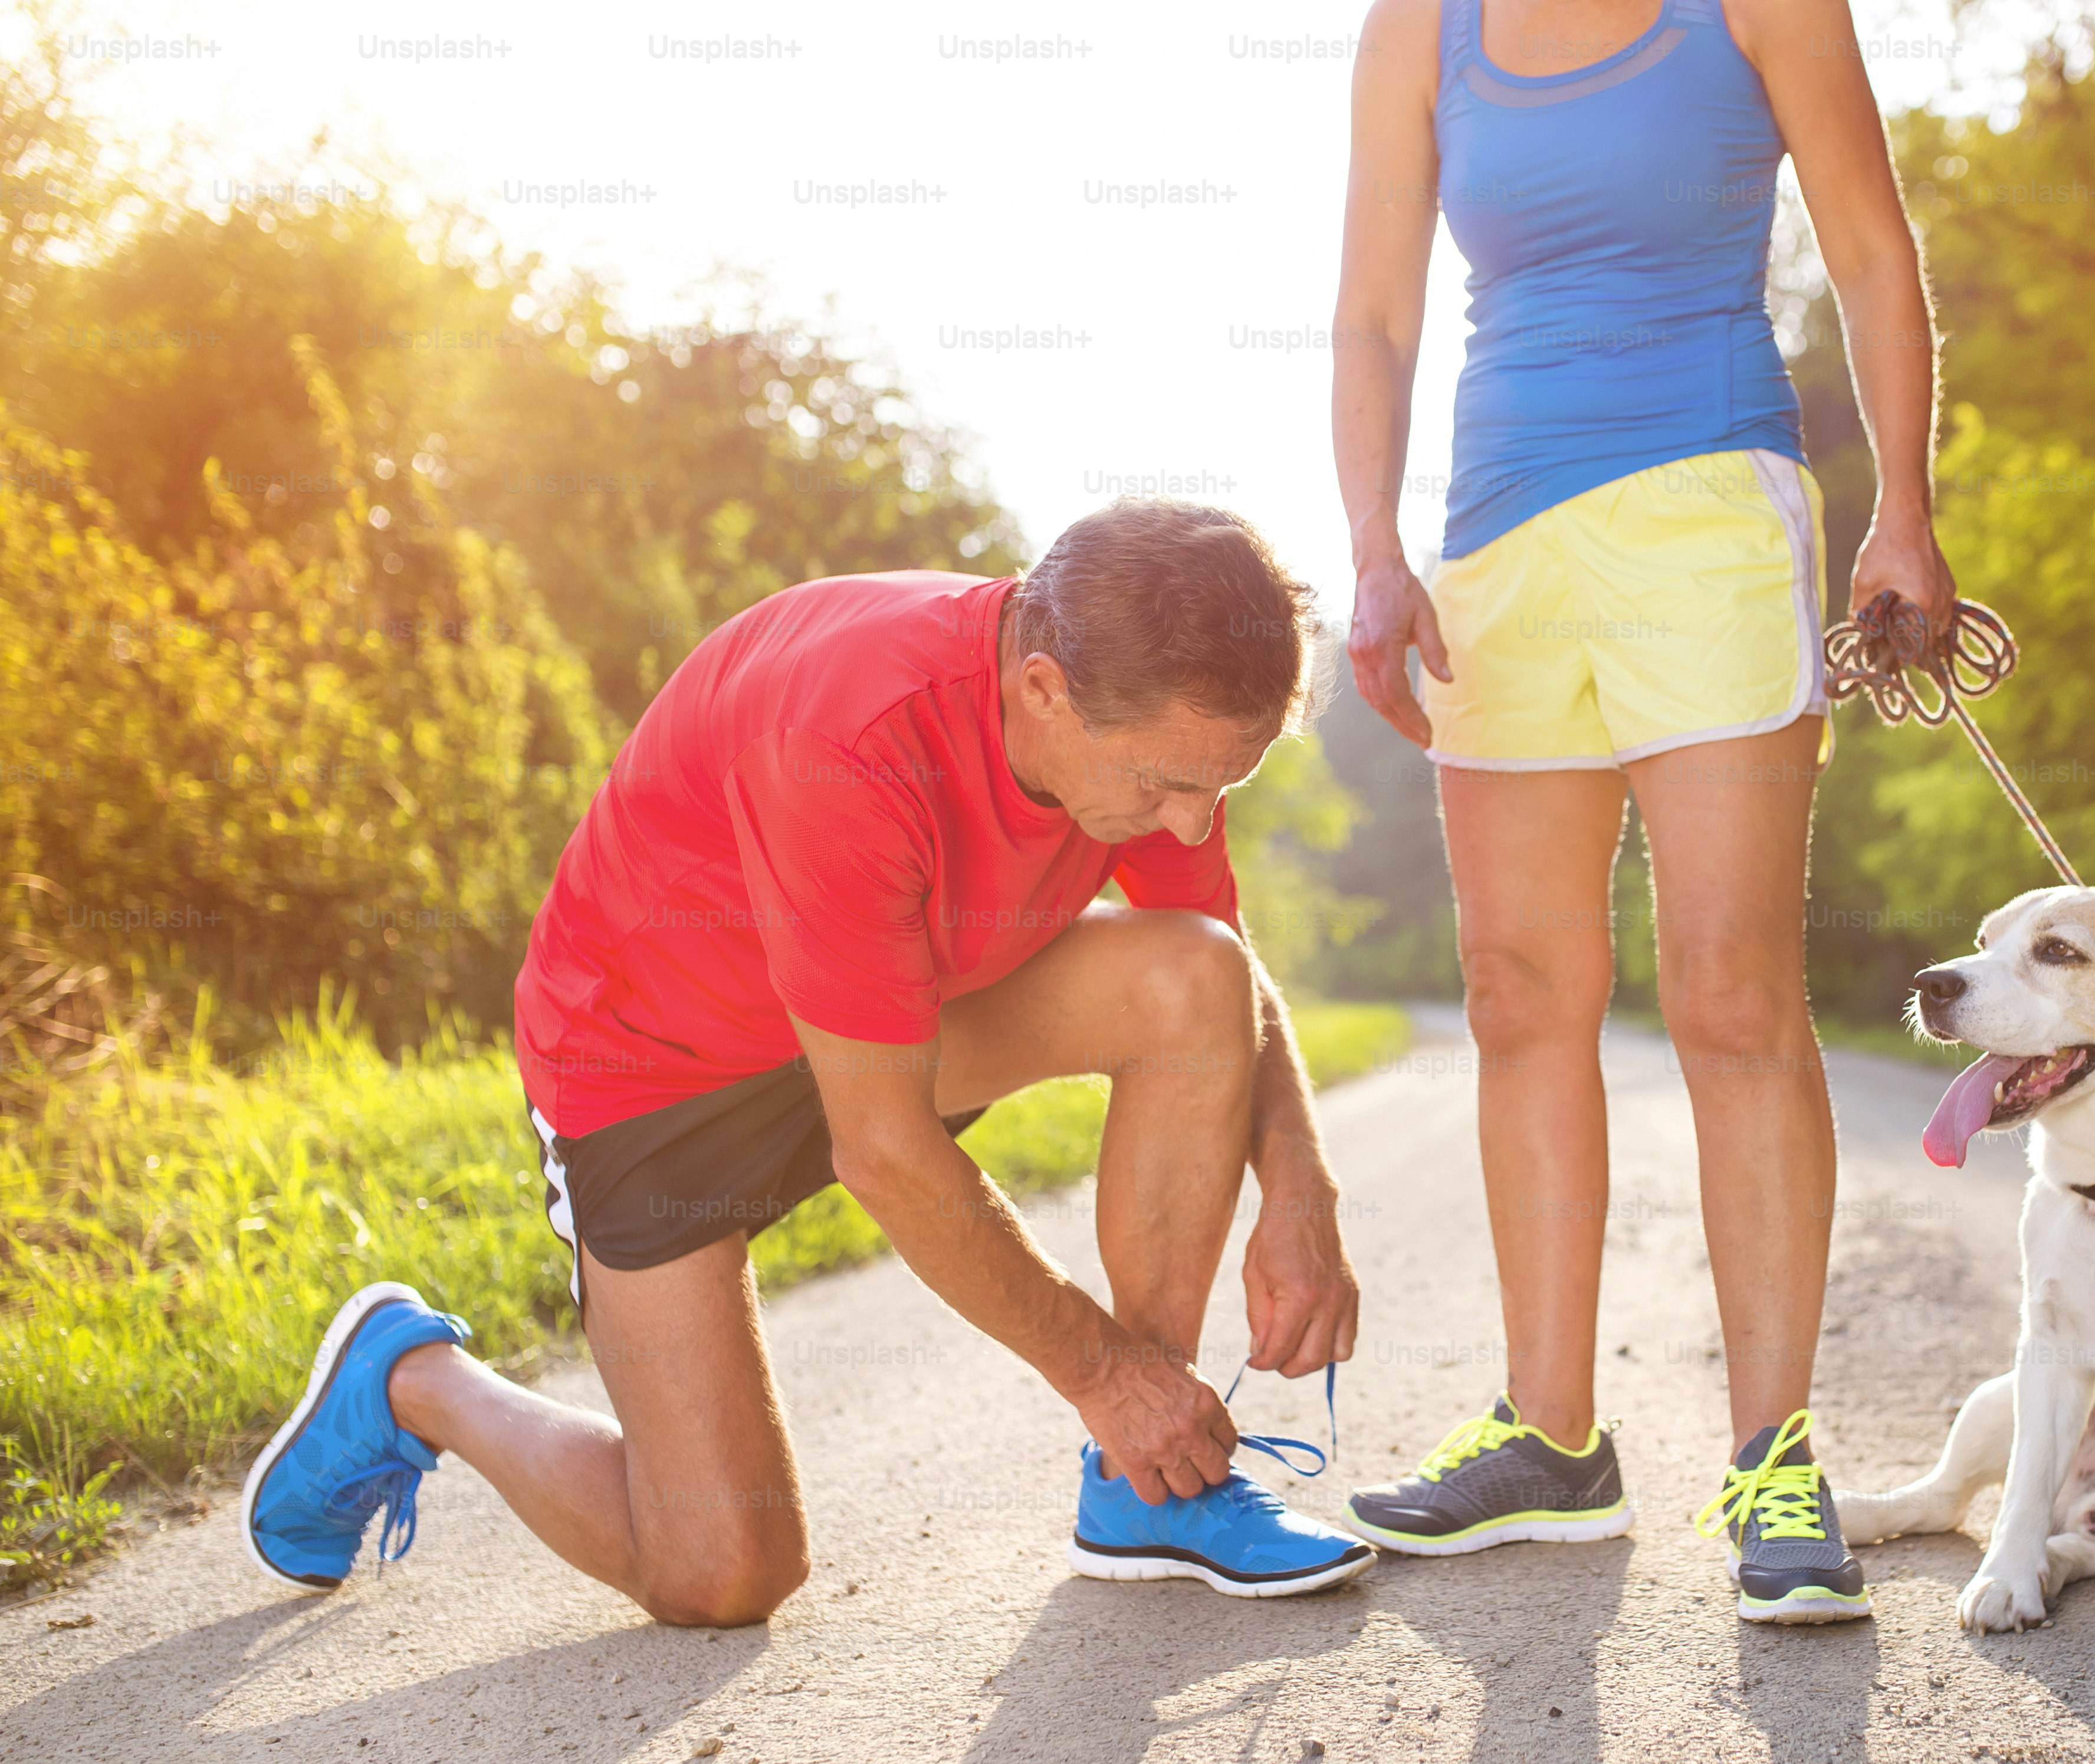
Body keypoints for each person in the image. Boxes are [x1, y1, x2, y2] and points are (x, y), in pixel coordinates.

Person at [241, 501, 1377, 1622]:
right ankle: (414, 1381)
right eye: (1165, 787)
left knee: (1192, 974)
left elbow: (1222, 967)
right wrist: (1104, 1376)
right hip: (653, 1071)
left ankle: (1152, 1484)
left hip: (888, 1025)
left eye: (1218, 788)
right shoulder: (848, 739)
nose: (1188, 826)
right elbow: (885, 1154)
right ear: (1045, 689)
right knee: (720, 1573)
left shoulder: (1148, 709)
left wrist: (1299, 1187)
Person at [1331, 0, 1955, 1622]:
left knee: (1734, 997)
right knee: (1519, 995)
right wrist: (1375, 551)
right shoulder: (1422, 30)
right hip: (1497, 542)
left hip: (1711, 517)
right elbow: (1376, 317)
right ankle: (1550, 1436)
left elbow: (1877, 255)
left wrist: (1907, 512)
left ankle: (1772, 1458)